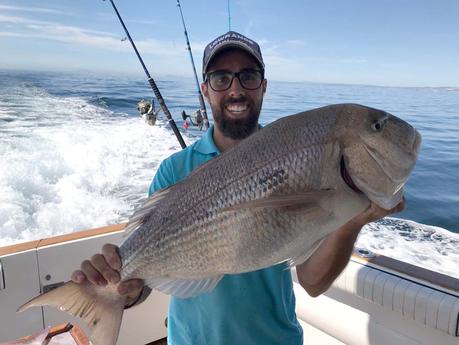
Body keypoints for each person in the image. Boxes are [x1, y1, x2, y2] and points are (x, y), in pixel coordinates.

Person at [71, 31, 405, 344]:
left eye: (248, 76)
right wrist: (124, 290)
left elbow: (313, 283)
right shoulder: (173, 170)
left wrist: (354, 220)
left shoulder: (297, 153)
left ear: (263, 86)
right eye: (221, 78)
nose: (236, 89)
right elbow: (144, 283)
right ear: (205, 90)